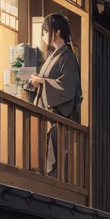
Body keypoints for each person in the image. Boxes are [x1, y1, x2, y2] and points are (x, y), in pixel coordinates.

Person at [29, 13, 82, 176]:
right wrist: (34, 83)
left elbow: (66, 86)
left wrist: (42, 81)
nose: (44, 35)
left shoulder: (68, 57)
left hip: (59, 118)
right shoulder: (54, 55)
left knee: (57, 154)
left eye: (46, 31)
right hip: (49, 116)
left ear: (57, 32)